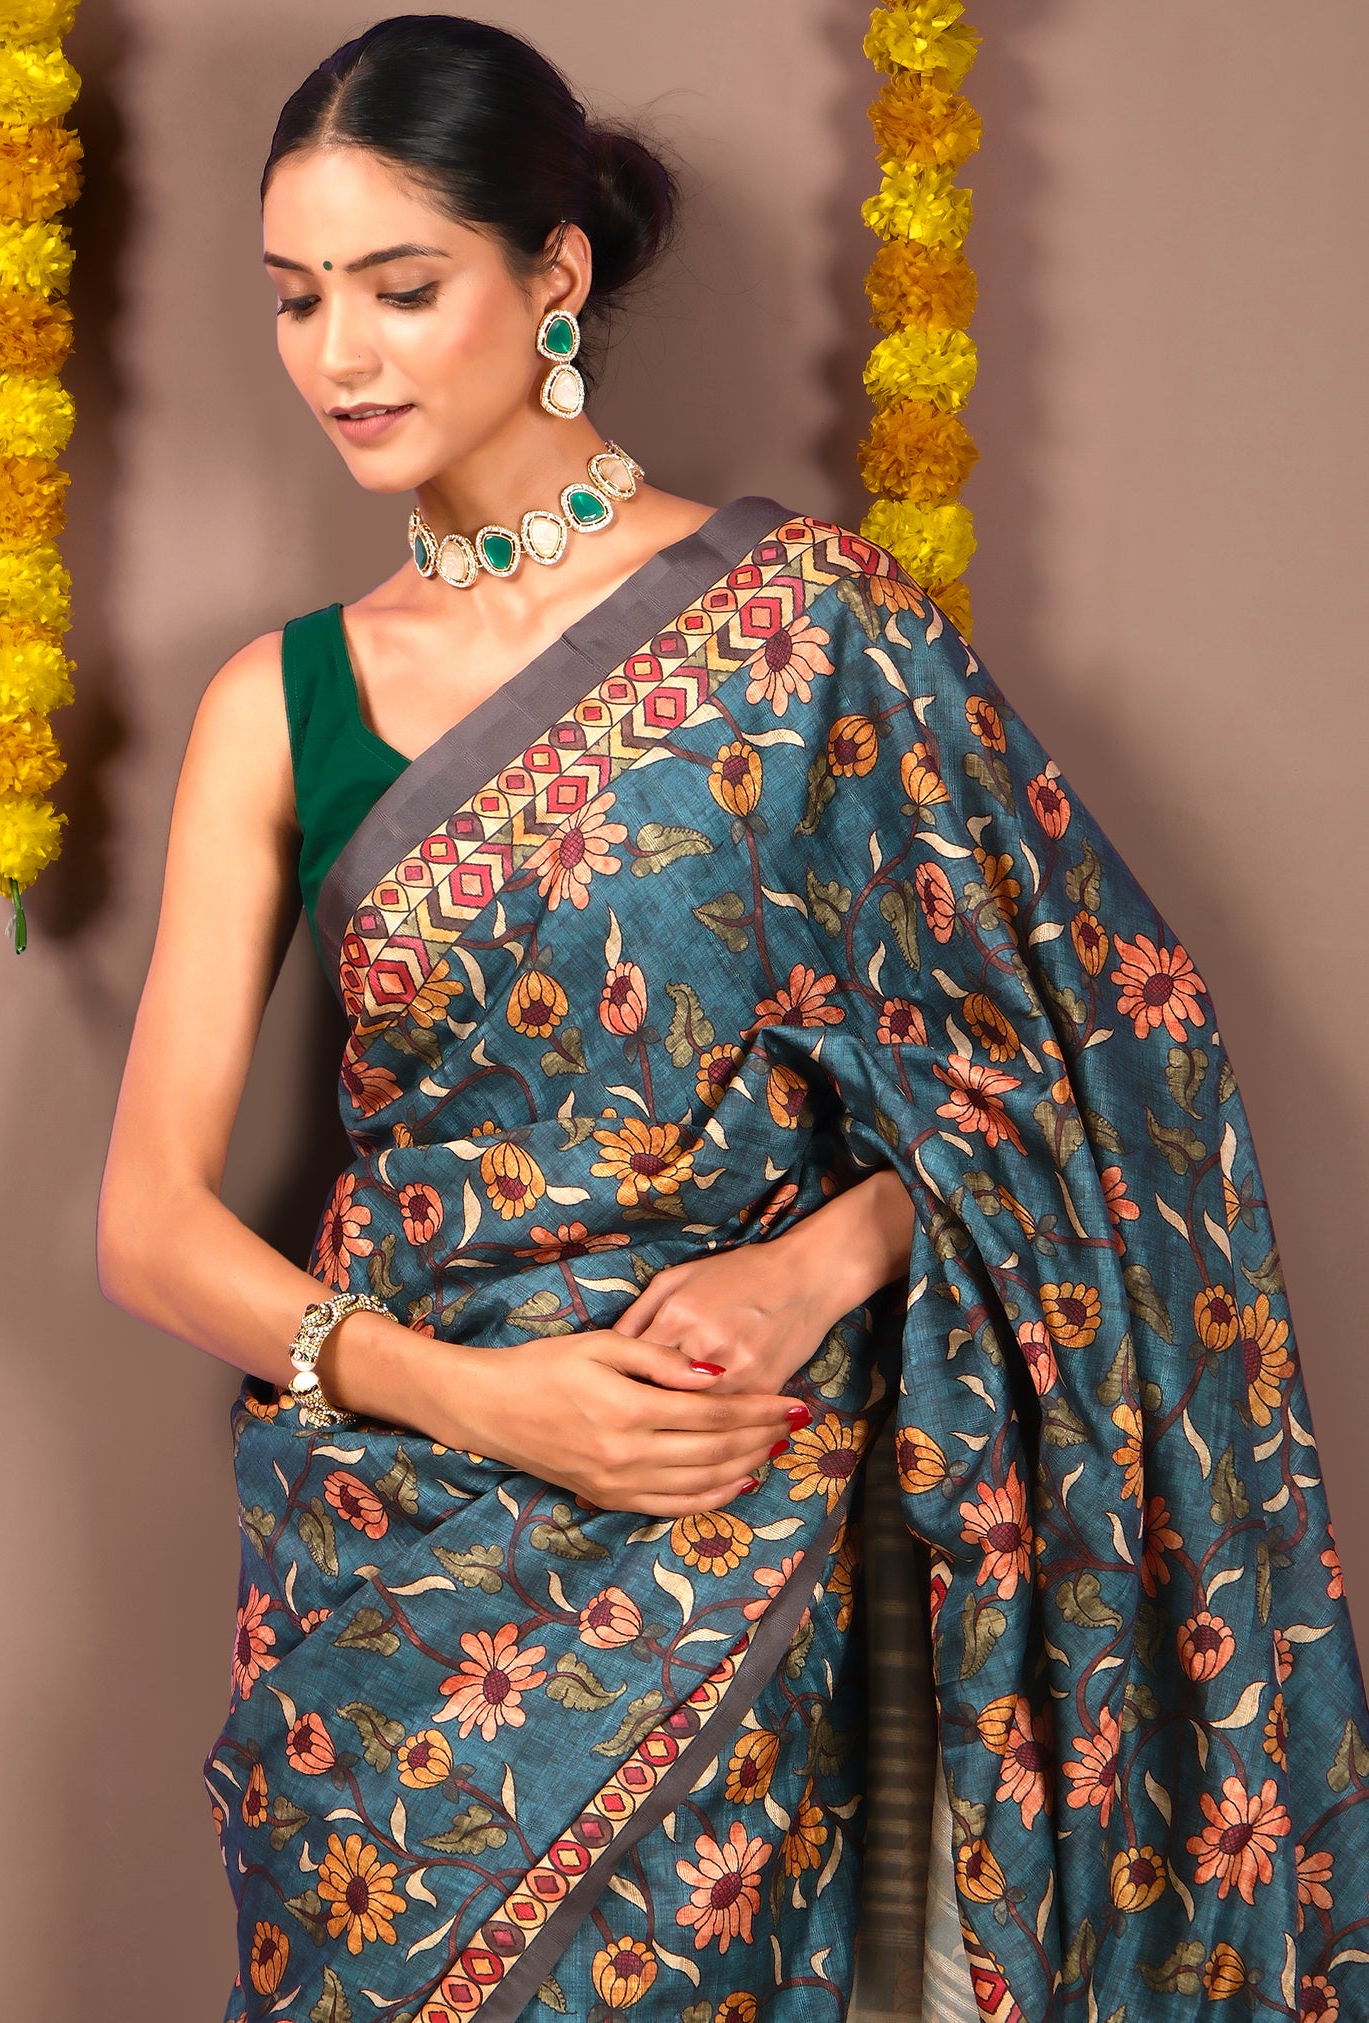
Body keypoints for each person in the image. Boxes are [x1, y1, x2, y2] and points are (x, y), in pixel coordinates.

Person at [97, 15, 1369, 2023]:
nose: (339, 353)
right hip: (390, 1591)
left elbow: (1087, 1070)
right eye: (296, 298)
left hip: (724, 1541)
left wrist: (809, 1270)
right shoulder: (285, 702)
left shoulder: (817, 632)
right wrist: (468, 1392)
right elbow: (148, 1222)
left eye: (402, 286)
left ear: (556, 276)